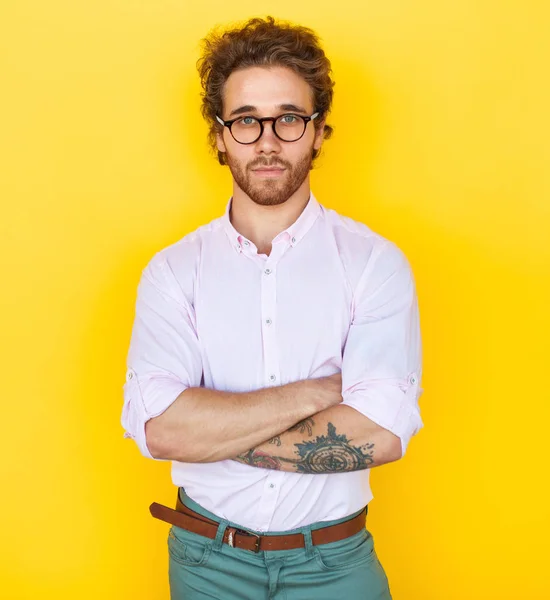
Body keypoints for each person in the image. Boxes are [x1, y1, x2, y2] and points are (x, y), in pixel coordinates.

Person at [121, 15, 424, 600]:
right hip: (206, 561)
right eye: (245, 121)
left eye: (288, 119)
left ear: (317, 132)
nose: (266, 141)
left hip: (333, 564)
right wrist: (316, 393)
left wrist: (210, 431)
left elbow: (383, 434)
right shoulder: (172, 273)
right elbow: (163, 432)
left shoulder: (374, 264)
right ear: (219, 135)